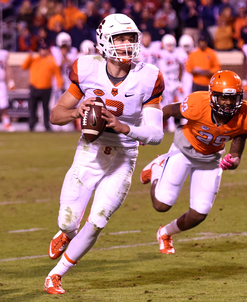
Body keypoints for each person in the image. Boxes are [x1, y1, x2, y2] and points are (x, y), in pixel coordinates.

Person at [43, 13, 165, 295]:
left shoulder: (148, 77)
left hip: (123, 157)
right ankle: (67, 233)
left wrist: (124, 127)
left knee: (97, 220)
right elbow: (56, 115)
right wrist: (77, 111)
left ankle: (56, 274)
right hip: (90, 151)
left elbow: (156, 135)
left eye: (131, 38)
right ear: (104, 42)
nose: (126, 45)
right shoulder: (87, 68)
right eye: (120, 38)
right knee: (67, 221)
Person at [140, 70, 247, 254]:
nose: (227, 103)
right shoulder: (197, 103)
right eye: (222, 98)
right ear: (212, 96)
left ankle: (165, 233)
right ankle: (156, 168)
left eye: (232, 98)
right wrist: (149, 131)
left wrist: (232, 161)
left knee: (199, 213)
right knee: (161, 205)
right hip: (184, 150)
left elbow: (237, 150)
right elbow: (169, 110)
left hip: (211, 159)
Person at [22, 41, 63, 131]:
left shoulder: (51, 60)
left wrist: (60, 83)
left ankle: (46, 125)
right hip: (34, 87)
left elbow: (57, 73)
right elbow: (24, 66)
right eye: (42, 49)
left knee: (45, 108)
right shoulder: (34, 59)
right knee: (33, 107)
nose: (43, 51)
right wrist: (29, 56)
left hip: (46, 88)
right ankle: (31, 125)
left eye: (45, 49)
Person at [157, 34, 184, 132]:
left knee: (182, 100)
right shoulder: (161, 54)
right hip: (166, 80)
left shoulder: (177, 52)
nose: (170, 47)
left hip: (175, 80)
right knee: (168, 103)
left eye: (171, 45)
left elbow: (181, 66)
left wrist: (179, 81)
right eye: (168, 45)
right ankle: (170, 124)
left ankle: (184, 122)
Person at [0, 48, 15, 131]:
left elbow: (7, 67)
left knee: (4, 105)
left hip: (1, 83)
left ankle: (6, 123)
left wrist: (11, 81)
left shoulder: (3, 54)